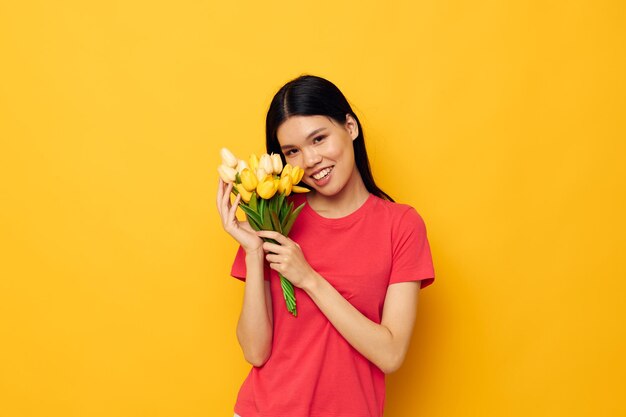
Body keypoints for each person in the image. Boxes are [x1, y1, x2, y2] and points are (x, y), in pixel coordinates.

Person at [216, 74, 435, 417]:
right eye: (293, 151)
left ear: (350, 127)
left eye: (319, 139)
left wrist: (309, 279)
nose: (311, 160)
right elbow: (255, 352)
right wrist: (254, 252)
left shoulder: (401, 226)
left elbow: (390, 353)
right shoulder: (274, 215)